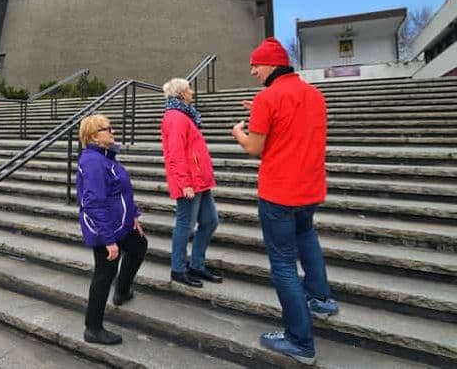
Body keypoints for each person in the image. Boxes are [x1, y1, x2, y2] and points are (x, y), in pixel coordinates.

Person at [231, 37, 338, 366]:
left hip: (278, 194)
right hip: (310, 190)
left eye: (255, 65)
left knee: (282, 264)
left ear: (271, 65)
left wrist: (239, 131)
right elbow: (293, 125)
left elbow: (255, 148)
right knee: (308, 237)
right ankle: (321, 299)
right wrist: (263, 112)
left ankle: (299, 340)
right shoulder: (314, 95)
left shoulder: (268, 98)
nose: (252, 71)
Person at [76, 113, 148, 345]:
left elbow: (121, 190)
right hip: (105, 229)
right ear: (94, 136)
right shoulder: (93, 161)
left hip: (121, 224)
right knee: (104, 273)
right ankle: (93, 328)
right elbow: (94, 203)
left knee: (138, 246)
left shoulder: (106, 158)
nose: (113, 132)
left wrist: (133, 215)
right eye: (108, 129)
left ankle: (122, 291)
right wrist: (108, 239)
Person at [160, 78, 222, 288]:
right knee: (185, 226)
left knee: (210, 221)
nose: (192, 92)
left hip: (199, 181)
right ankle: (178, 268)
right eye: (189, 89)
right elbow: (176, 153)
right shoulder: (176, 117)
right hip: (190, 183)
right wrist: (184, 183)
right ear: (180, 94)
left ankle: (197, 264)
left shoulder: (184, 115)